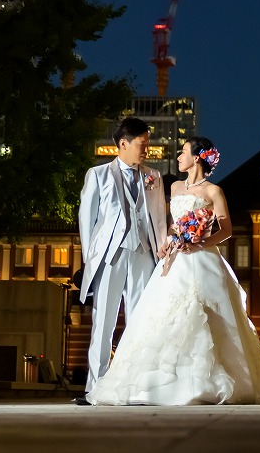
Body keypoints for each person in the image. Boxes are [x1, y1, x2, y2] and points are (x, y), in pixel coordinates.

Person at [87, 137, 260, 405]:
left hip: (202, 258)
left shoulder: (213, 192)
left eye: (183, 152)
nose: (178, 157)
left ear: (197, 158)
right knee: (164, 317)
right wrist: (168, 243)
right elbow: (175, 226)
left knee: (210, 318)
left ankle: (208, 381)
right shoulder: (174, 187)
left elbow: (226, 229)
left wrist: (198, 242)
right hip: (175, 261)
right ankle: (162, 383)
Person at [75, 117, 169, 405]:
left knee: (140, 323)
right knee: (103, 322)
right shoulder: (98, 174)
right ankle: (96, 388)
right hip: (110, 257)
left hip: (144, 255)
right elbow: (86, 219)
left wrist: (161, 252)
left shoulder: (154, 177)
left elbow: (159, 219)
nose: (147, 150)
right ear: (123, 143)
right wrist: (92, 258)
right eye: (142, 144)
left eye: (148, 144)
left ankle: (135, 386)